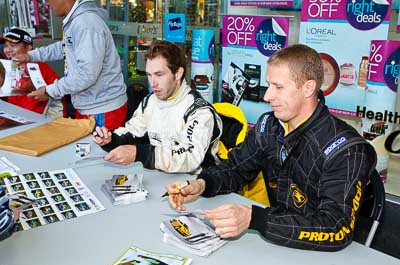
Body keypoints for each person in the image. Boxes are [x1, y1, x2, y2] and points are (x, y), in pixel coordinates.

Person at [166, 44, 377, 251]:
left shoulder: (348, 150)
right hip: (276, 244)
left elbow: (335, 227)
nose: (267, 96)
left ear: (309, 88)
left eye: (278, 87)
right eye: (269, 85)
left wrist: (254, 218)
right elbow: (236, 169)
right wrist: (202, 184)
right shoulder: (270, 125)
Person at [93, 40, 222, 173]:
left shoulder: (199, 111)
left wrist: (139, 154)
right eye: (149, 75)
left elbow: (189, 158)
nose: (153, 83)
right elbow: (132, 132)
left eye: (159, 75)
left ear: (178, 73)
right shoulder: (150, 101)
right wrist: (110, 139)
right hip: (161, 178)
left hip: (196, 184)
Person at [15, 0, 127, 130]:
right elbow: (64, 47)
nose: (47, 3)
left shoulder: (86, 23)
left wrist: (50, 91)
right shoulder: (76, 20)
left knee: (98, 150)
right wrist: (31, 56)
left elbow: (86, 75)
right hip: (89, 105)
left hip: (102, 108)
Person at [0, 28, 61, 115]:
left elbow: (45, 106)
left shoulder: (39, 69)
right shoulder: (8, 68)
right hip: (17, 119)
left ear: (29, 48)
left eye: (13, 45)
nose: (8, 50)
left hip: (40, 120)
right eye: (6, 46)